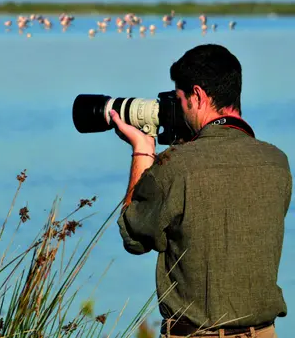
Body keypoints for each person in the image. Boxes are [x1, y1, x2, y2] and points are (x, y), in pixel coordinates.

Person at [112, 44, 291, 338]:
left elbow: (135, 237)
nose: (179, 108)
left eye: (180, 100)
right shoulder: (277, 162)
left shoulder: (177, 166)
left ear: (198, 96)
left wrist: (142, 152)